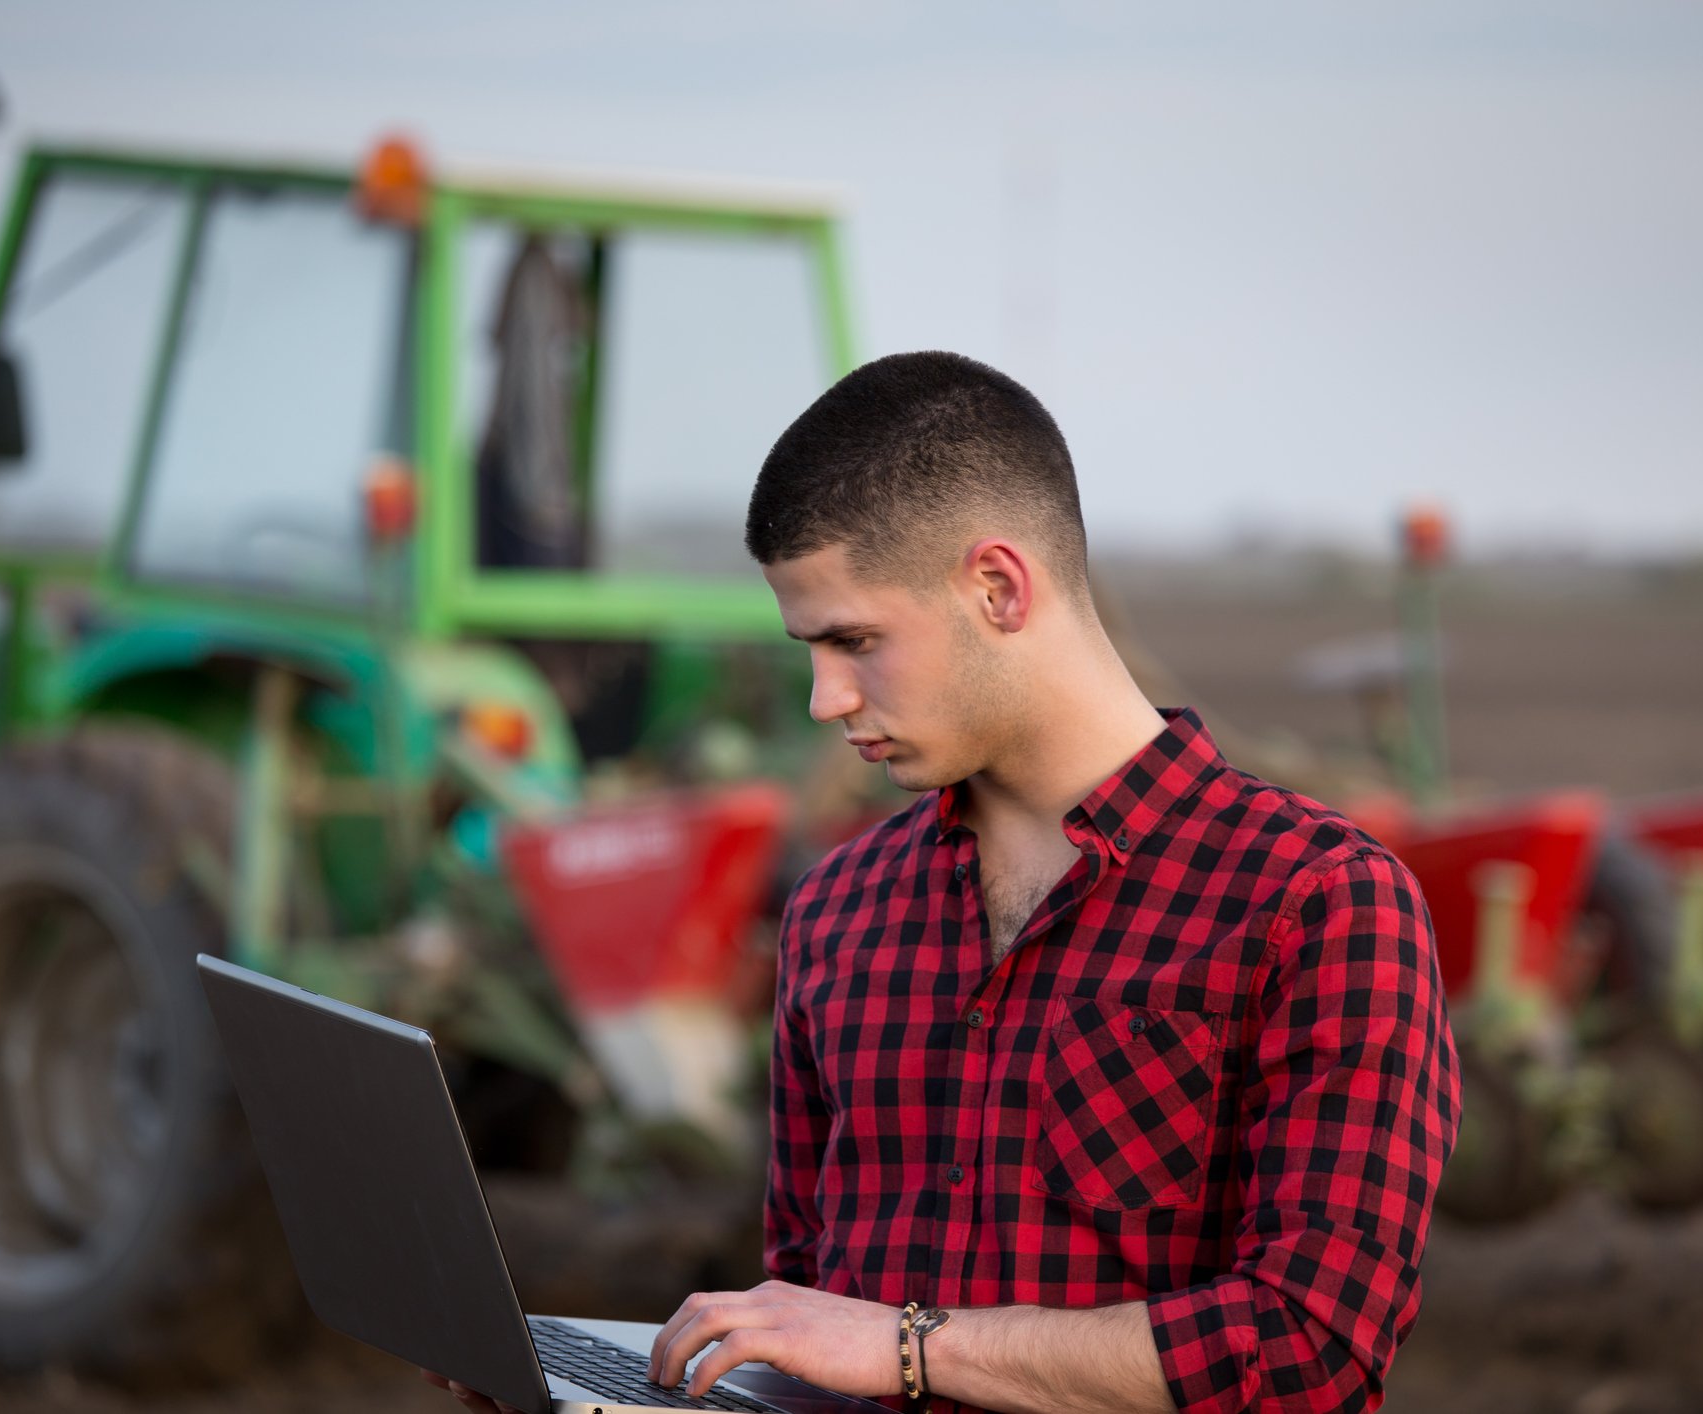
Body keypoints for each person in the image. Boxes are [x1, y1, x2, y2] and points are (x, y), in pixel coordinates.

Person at [440, 351, 1460, 1414]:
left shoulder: (1321, 902)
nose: (823, 700)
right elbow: (816, 1330)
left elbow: (1310, 1345)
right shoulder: (838, 911)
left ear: (999, 588)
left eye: (855, 642)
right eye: (809, 651)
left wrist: (908, 1346)